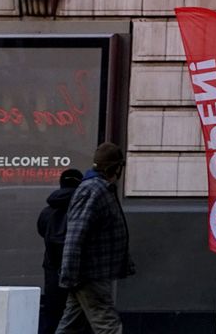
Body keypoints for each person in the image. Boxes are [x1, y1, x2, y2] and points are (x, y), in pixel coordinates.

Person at [57, 143, 134, 334]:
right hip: (91, 274)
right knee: (108, 325)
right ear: (114, 168)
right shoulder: (93, 190)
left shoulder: (99, 188)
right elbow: (76, 234)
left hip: (88, 273)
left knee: (71, 326)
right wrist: (70, 273)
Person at [38, 168, 90, 334]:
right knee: (79, 314)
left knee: (52, 314)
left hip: (52, 269)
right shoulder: (83, 209)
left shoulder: (47, 211)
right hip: (79, 269)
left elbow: (41, 230)